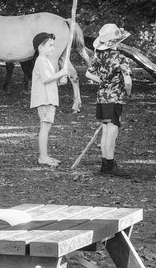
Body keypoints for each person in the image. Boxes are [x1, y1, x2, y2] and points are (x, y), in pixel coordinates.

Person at [85, 23, 134, 177]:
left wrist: (103, 82)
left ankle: (105, 164)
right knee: (112, 132)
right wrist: (128, 92)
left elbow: (88, 74)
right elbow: (128, 81)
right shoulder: (121, 58)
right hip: (115, 98)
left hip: (101, 98)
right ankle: (110, 165)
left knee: (106, 130)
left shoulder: (98, 56)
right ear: (116, 42)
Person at [29, 32, 78, 167]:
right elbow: (46, 79)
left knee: (46, 127)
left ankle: (45, 155)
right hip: (45, 100)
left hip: (49, 99)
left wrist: (60, 80)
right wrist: (61, 73)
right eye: (50, 45)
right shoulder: (41, 61)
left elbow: (50, 80)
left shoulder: (46, 62)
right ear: (41, 47)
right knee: (44, 128)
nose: (53, 48)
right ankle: (43, 157)